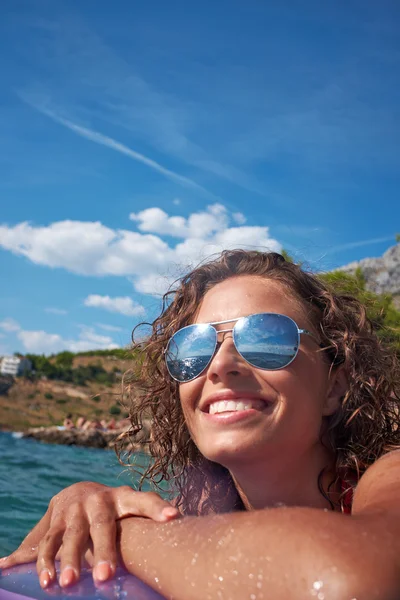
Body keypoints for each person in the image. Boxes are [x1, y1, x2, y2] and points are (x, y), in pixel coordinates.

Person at [1, 250, 400, 599]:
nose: (221, 366)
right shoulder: (196, 516)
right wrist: (87, 509)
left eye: (266, 339)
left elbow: (351, 581)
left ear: (335, 386)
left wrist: (126, 534)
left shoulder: (389, 476)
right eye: (193, 348)